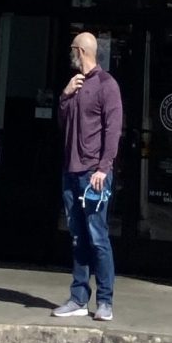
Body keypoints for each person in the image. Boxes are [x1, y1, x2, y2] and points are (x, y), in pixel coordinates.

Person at [53, 30, 123, 323]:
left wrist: (103, 168)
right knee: (78, 236)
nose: (70, 53)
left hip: (93, 174)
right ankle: (78, 298)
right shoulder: (76, 85)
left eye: (72, 48)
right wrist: (65, 95)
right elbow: (63, 122)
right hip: (71, 171)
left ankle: (105, 301)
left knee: (97, 236)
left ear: (81, 50)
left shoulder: (107, 85)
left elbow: (113, 128)